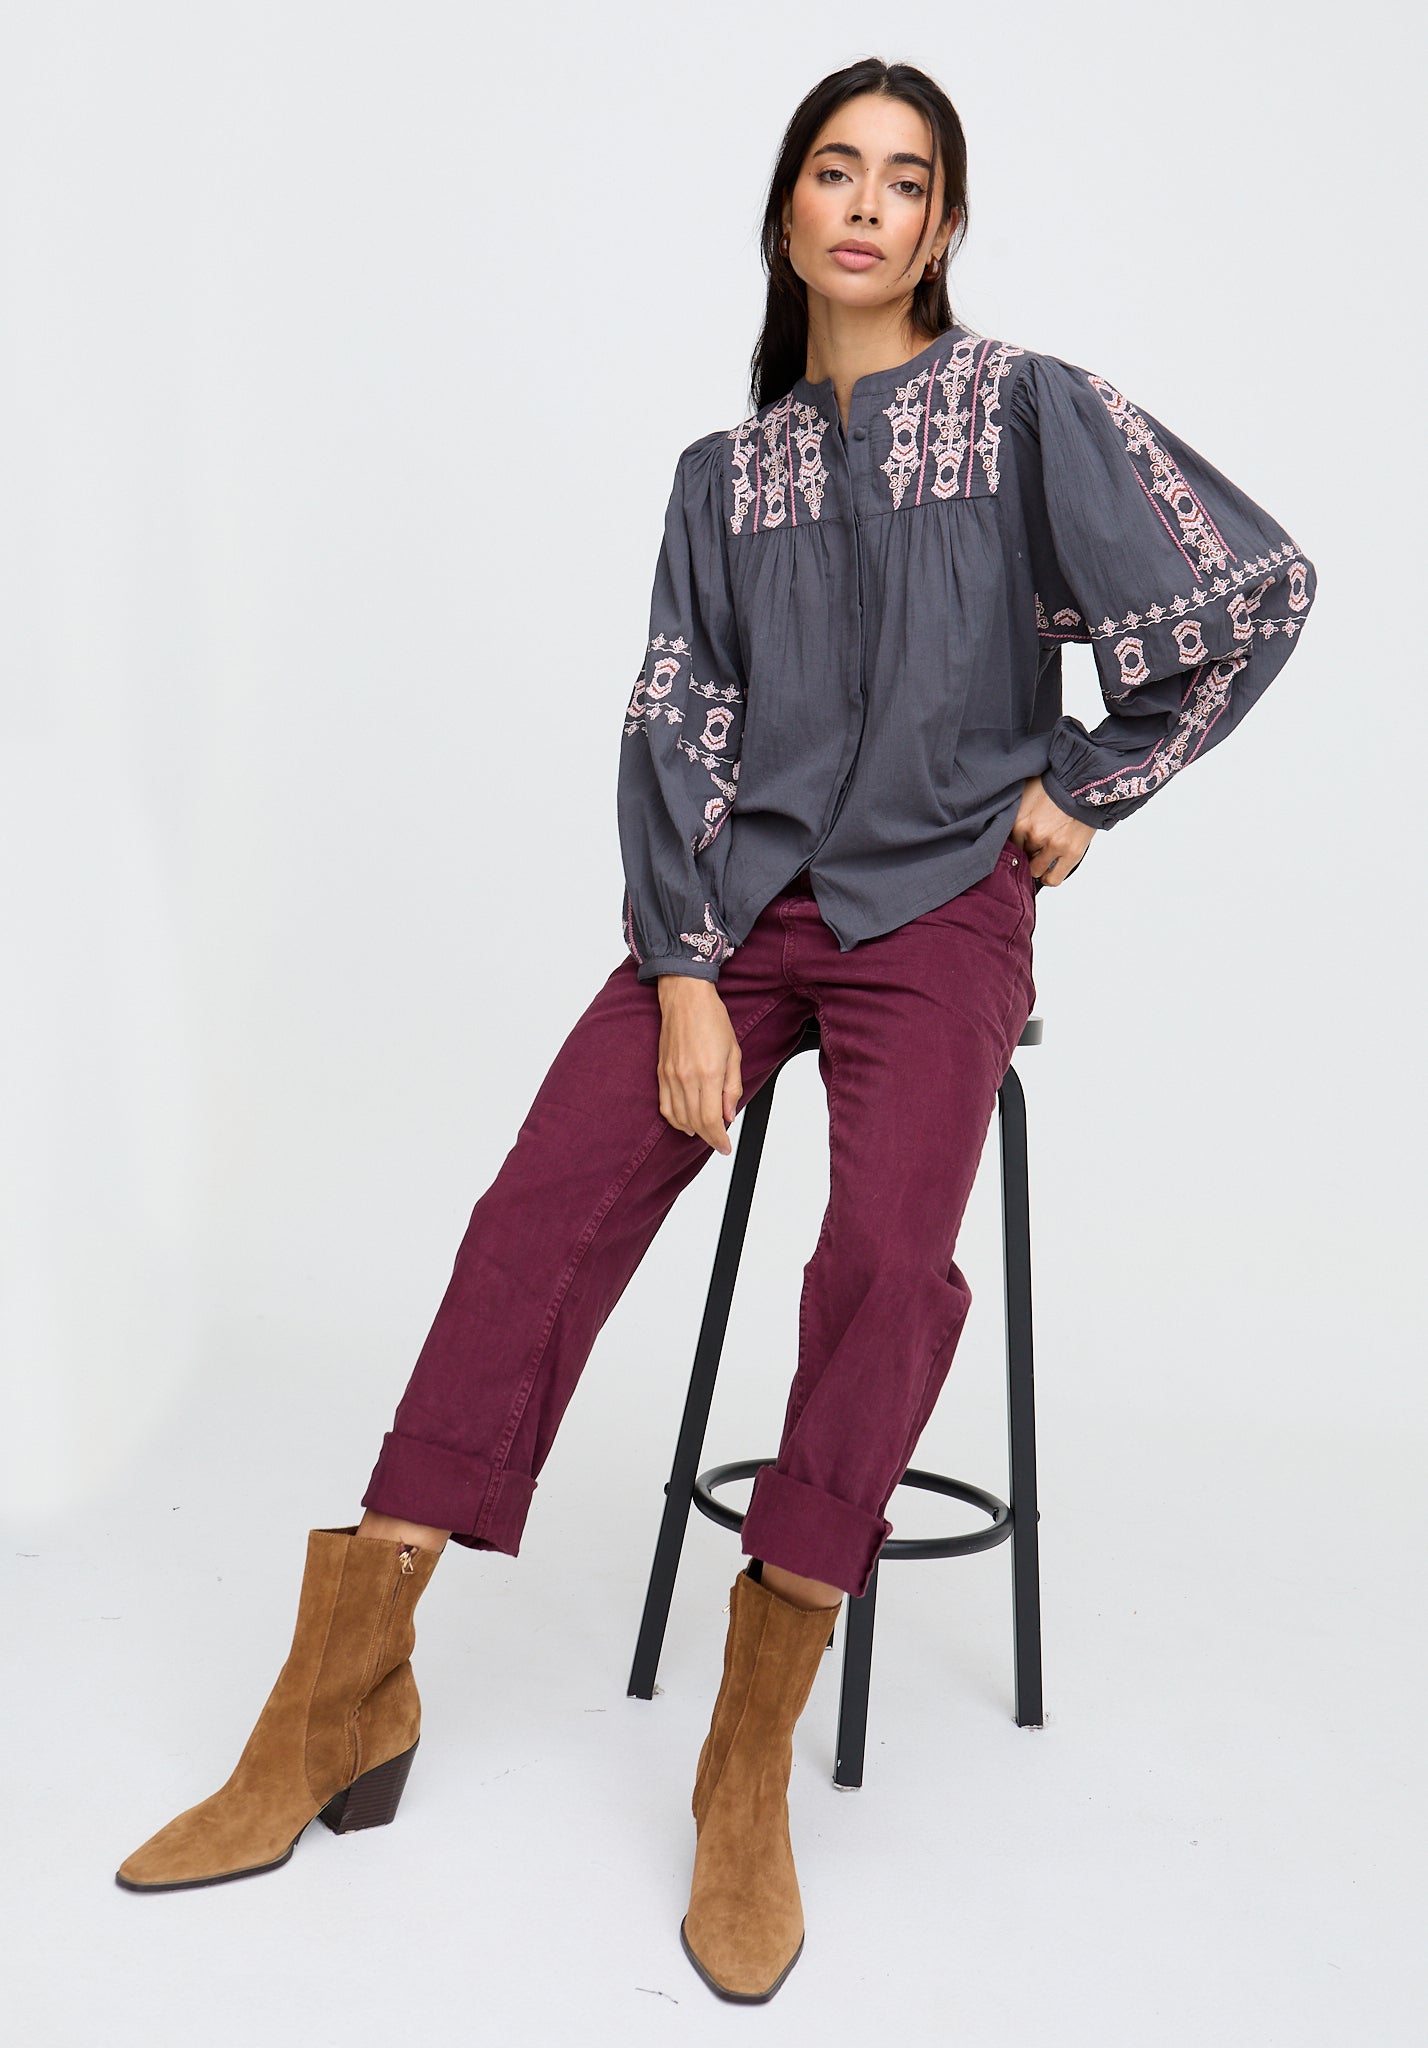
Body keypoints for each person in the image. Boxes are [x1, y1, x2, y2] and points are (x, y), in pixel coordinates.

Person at [114, 56, 1316, 2007]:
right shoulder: (721, 477)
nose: (864, 203)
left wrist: (1093, 779)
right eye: (833, 170)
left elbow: (1249, 585)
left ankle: (748, 1741)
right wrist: (683, 962)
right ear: (787, 209)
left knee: (883, 1259)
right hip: (740, 917)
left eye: (904, 178)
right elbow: (675, 719)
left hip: (942, 915)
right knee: (537, 1205)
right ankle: (340, 1687)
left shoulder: (1024, 410)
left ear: (942, 224)